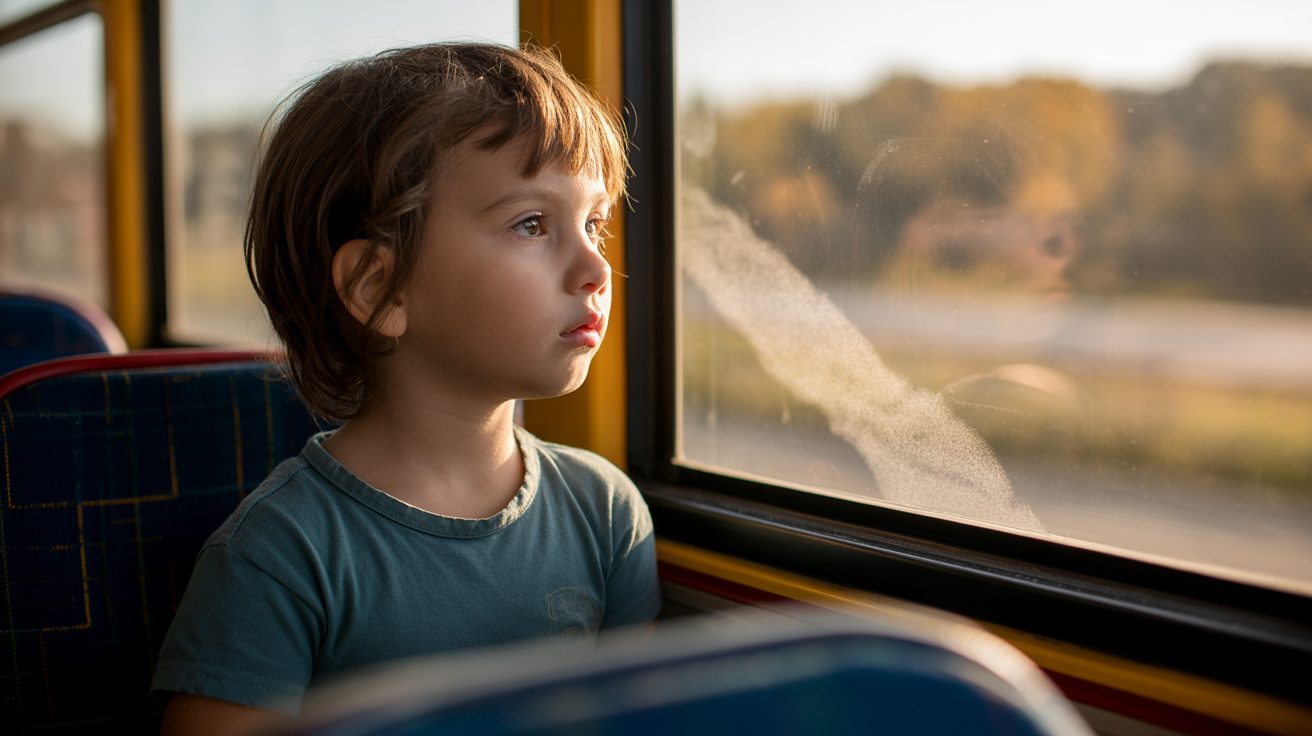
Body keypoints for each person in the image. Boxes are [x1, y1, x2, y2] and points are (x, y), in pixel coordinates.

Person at [151, 42, 661, 734]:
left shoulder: (605, 515)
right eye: (532, 224)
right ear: (378, 288)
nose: (596, 267)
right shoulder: (278, 557)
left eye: (593, 222)